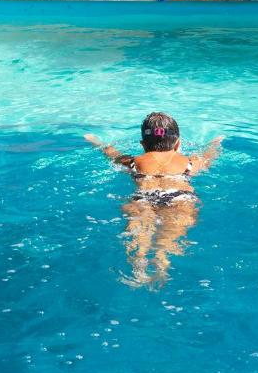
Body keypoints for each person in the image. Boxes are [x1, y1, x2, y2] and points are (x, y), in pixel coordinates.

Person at [85, 112, 222, 287]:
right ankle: (161, 260)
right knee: (167, 240)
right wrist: (215, 143)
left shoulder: (134, 161)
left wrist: (95, 141)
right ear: (178, 143)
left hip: (144, 198)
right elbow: (208, 156)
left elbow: (110, 152)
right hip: (179, 198)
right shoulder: (189, 162)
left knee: (138, 238)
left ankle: (138, 263)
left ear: (143, 145)